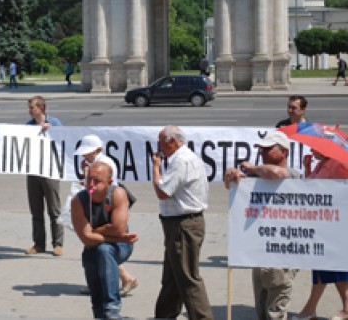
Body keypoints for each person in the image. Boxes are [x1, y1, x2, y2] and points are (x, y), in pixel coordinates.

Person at [224, 131, 300, 320]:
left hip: (282, 252)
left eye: (268, 149)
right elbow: (232, 189)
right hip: (260, 250)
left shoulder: (291, 174)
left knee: (275, 310)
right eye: (261, 149)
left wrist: (252, 168)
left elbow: (276, 173)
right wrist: (231, 177)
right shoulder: (258, 176)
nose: (263, 153)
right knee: (262, 308)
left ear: (283, 152)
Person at [152, 125, 214, 320]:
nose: (159, 145)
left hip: (183, 225)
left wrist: (155, 167)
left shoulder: (181, 160)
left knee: (187, 278)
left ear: (172, 141)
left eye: (161, 141)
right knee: (171, 277)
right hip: (179, 224)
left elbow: (163, 192)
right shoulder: (184, 158)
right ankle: (165, 315)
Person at [71, 161, 138, 320]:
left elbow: (119, 228)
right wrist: (105, 233)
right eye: (89, 180)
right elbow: (85, 238)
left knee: (104, 250)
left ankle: (112, 309)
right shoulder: (78, 201)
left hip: (121, 244)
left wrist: (94, 231)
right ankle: (101, 313)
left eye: (97, 181)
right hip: (96, 246)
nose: (91, 185)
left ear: (109, 182)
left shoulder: (117, 194)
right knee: (90, 258)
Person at [292, 150, 348, 320]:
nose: (311, 150)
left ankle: (310, 310)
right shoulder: (321, 164)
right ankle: (343, 307)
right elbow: (310, 187)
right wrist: (307, 167)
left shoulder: (339, 164)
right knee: (330, 267)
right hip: (322, 222)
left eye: (314, 148)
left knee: (326, 266)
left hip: (334, 223)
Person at [25, 96, 63, 256]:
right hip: (33, 172)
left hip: (50, 171)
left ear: (41, 108)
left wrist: (52, 130)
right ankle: (39, 244)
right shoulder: (27, 126)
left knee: (54, 210)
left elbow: (64, 140)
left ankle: (58, 244)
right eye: (29, 107)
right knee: (36, 210)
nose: (29, 110)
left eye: (32, 107)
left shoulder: (54, 122)